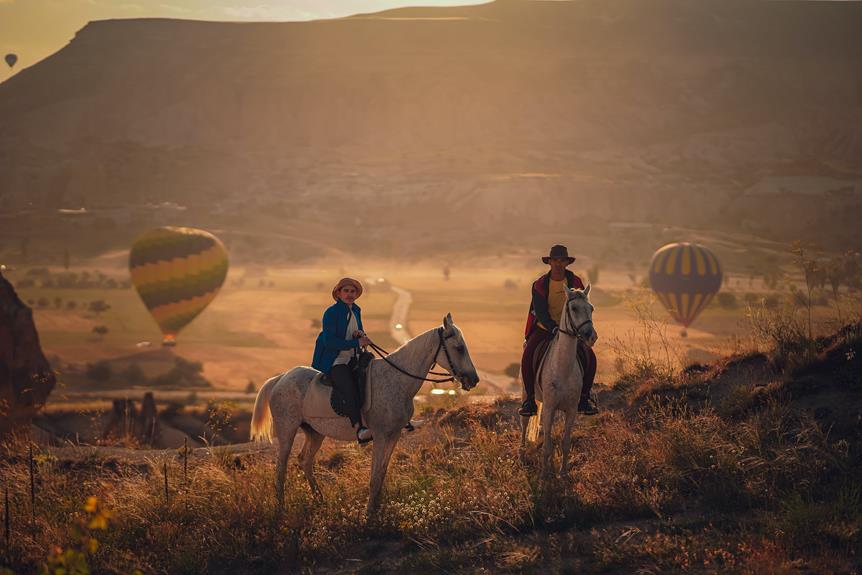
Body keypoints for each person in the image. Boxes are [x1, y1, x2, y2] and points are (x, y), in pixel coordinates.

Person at [520, 244, 598, 417]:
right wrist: (553, 327)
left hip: (570, 330)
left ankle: (584, 398)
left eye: (562, 260)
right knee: (528, 356)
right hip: (545, 329)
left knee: (590, 358)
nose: (558, 263)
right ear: (549, 262)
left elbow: (582, 307)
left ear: (566, 263)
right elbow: (540, 311)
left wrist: (583, 328)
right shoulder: (540, 284)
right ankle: (530, 400)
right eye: (555, 260)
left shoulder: (575, 282)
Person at [312, 277, 373, 443]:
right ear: (338, 293)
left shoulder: (356, 310)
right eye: (346, 291)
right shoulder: (331, 313)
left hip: (353, 357)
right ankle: (359, 428)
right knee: (350, 388)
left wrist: (359, 335)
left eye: (352, 291)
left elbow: (356, 331)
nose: (349, 294)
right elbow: (329, 342)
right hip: (335, 360)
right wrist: (355, 342)